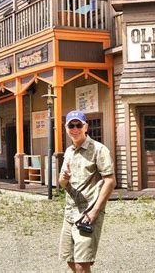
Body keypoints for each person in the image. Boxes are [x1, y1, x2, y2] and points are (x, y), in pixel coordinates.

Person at [59, 110, 116, 273]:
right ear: (66, 127)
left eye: (78, 125)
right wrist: (64, 178)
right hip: (69, 213)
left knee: (82, 264)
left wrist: (95, 211)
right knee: (70, 260)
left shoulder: (99, 149)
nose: (74, 129)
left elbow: (110, 181)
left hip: (88, 214)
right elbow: (62, 184)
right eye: (71, 125)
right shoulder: (69, 152)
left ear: (86, 127)